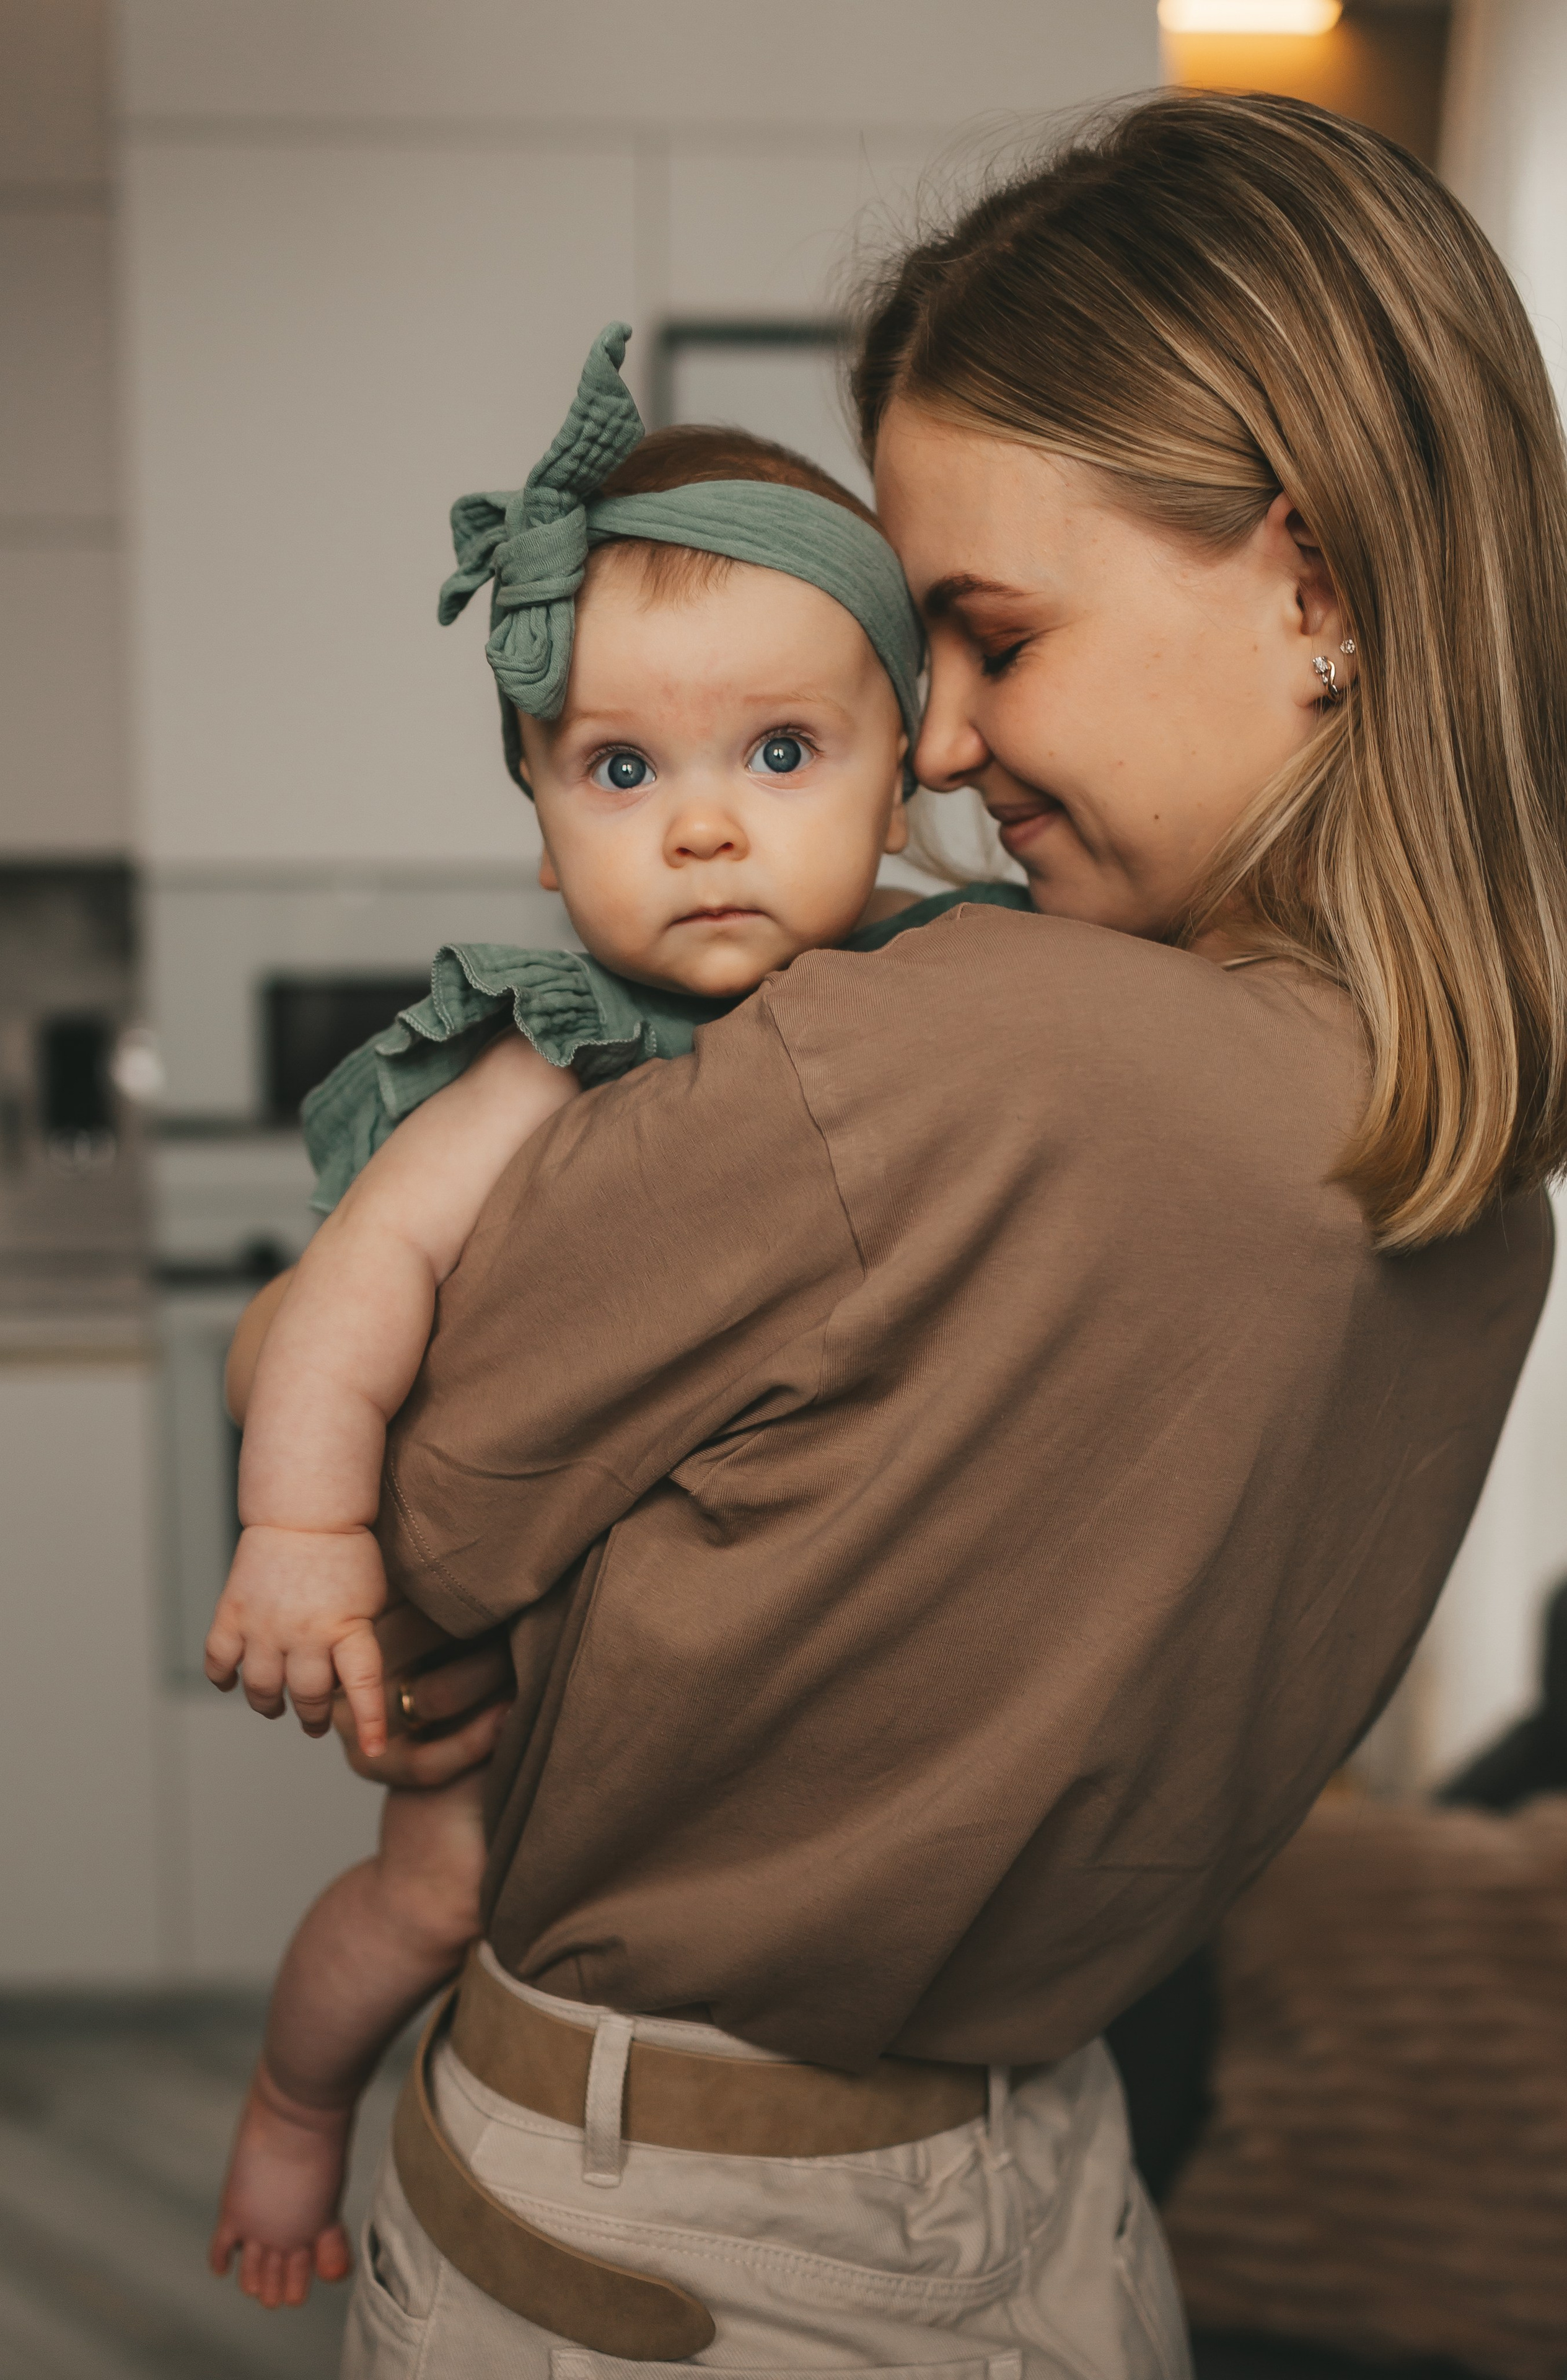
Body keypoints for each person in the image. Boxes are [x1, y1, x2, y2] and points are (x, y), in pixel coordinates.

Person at [319, 89, 1567, 2377]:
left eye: (990, 634)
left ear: (1314, 583)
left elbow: (418, 1523)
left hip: (662, 2230)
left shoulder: (936, 1053)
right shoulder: (1485, 1191)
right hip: (1062, 2197)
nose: (943, 744)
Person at [204, 328, 1032, 2309]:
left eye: (779, 752)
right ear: (538, 801)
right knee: (438, 1895)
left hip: (746, 1663)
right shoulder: (553, 1050)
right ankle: (294, 2107)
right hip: (503, 1631)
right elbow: (361, 1280)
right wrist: (307, 1529)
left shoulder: (972, 986)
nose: (704, 826)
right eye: (620, 769)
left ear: (905, 749)